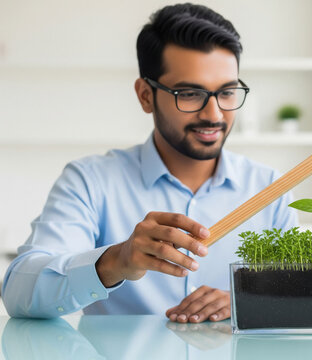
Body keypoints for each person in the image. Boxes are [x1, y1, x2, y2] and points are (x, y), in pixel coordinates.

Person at [2, 3, 297, 322]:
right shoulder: (91, 180)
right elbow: (20, 293)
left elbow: (299, 298)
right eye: (189, 94)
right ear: (145, 95)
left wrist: (248, 302)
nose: (213, 114)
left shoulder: (270, 189)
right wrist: (115, 261)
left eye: (227, 93)